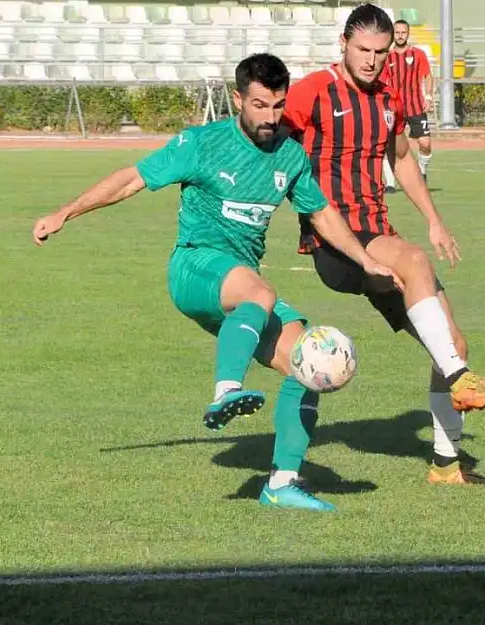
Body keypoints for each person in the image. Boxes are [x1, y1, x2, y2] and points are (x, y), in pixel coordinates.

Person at [32, 53, 401, 512]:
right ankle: (226, 390)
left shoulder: (290, 154)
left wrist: (364, 259)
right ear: (237, 99)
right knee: (260, 292)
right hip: (194, 269)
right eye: (260, 105)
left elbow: (322, 213)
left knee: (307, 363)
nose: (270, 117)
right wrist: (65, 212)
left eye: (278, 106)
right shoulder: (202, 143)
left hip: (242, 293)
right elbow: (132, 179)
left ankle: (281, 483)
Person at [282, 3, 485, 486]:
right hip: (335, 243)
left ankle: (446, 466)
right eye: (362, 49)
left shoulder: (387, 98)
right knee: (412, 260)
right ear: (343, 44)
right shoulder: (313, 91)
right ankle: (459, 379)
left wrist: (433, 218)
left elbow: (401, 158)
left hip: (378, 233)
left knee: (453, 342)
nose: (371, 60)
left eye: (380, 52)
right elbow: (269, 141)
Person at [381, 18, 434, 191]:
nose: (401, 35)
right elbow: (381, 81)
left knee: (425, 143)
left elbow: (427, 76)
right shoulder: (387, 56)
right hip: (394, 109)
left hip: (416, 106)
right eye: (397, 32)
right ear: (392, 34)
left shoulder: (418, 54)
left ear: (408, 34)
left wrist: (428, 97)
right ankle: (390, 183)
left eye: (403, 32)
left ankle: (422, 171)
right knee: (389, 145)